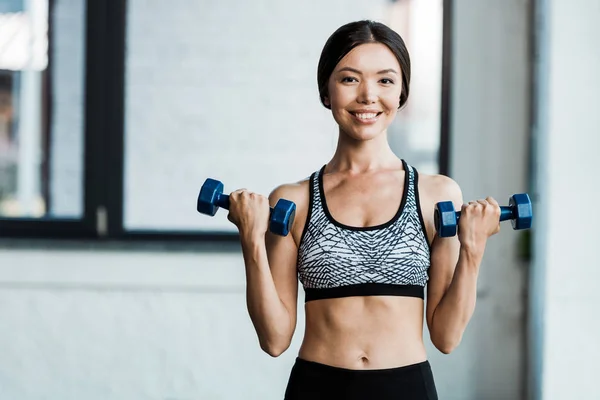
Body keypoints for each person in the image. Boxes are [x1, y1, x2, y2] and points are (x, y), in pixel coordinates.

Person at [226, 20, 501, 400]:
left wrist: (473, 249)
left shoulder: (436, 195)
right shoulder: (294, 201)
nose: (368, 95)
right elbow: (274, 340)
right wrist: (252, 240)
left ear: (402, 92)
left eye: (385, 80)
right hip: (317, 388)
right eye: (350, 79)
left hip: (406, 388)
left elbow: (446, 337)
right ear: (326, 91)